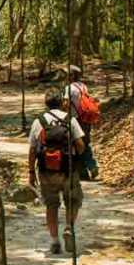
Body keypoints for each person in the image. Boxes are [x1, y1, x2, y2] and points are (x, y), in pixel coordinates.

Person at [28, 90, 86, 255]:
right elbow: (81, 145)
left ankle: (54, 241)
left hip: (46, 171)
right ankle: (68, 227)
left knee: (51, 206)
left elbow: (32, 150)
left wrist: (31, 172)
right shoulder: (70, 120)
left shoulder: (38, 122)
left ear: (46, 104)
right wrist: (74, 155)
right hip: (68, 170)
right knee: (73, 201)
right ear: (62, 102)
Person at [64, 65, 100, 180]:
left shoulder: (69, 88)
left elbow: (66, 104)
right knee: (85, 143)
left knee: (77, 144)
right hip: (86, 119)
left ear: (71, 76)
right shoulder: (83, 86)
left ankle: (89, 167)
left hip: (76, 120)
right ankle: (85, 171)